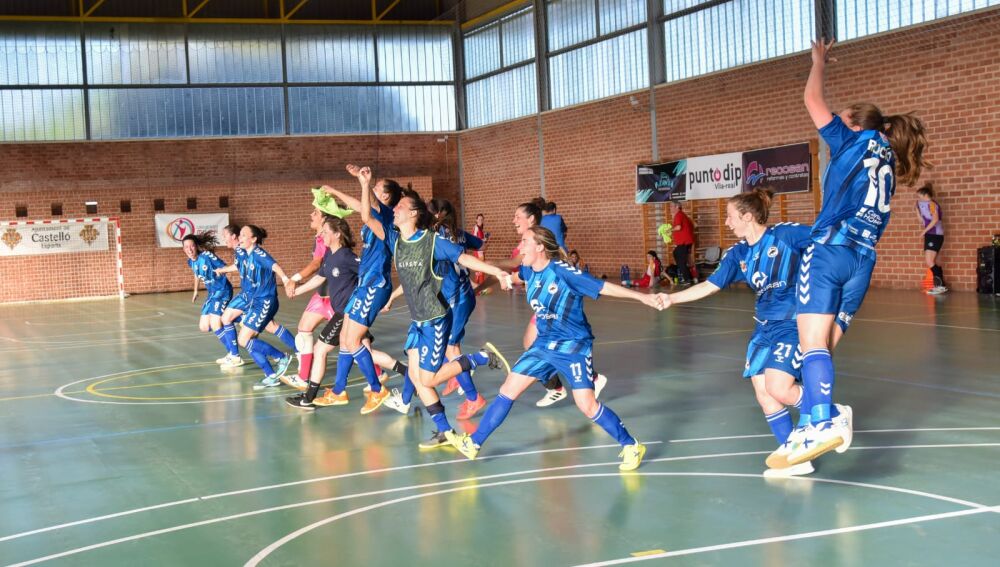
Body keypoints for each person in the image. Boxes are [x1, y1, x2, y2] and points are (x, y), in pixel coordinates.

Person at [779, 38, 929, 468]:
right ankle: (817, 420)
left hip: (831, 250)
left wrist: (818, 62)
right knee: (823, 347)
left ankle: (823, 420)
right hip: (863, 261)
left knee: (811, 344)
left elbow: (811, 99)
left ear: (852, 123)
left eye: (839, 117)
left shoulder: (852, 141)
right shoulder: (888, 163)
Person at [446, 226, 666, 471]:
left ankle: (631, 445)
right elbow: (515, 276)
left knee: (587, 405)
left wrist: (643, 297)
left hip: (573, 345)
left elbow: (602, 287)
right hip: (544, 344)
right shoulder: (529, 270)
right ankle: (473, 443)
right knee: (508, 389)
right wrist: (498, 279)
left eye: (524, 241)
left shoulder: (563, 272)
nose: (520, 247)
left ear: (540, 246)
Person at [666, 189, 846, 477]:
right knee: (764, 394)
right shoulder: (738, 253)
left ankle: (834, 414)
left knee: (779, 388)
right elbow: (710, 286)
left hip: (793, 322)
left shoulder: (785, 236)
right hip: (763, 327)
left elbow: (827, 239)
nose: (727, 223)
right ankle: (796, 457)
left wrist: (833, 285)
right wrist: (670, 298)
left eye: (730, 217)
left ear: (747, 216)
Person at [364, 173, 514, 448]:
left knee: (429, 378)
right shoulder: (396, 240)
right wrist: (364, 185)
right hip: (417, 322)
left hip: (434, 319)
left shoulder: (432, 241)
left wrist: (496, 271)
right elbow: (367, 217)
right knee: (416, 377)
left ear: (414, 214)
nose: (394, 209)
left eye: (400, 206)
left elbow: (464, 257)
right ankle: (445, 431)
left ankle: (481, 357)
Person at [319, 166, 404, 414]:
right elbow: (360, 206)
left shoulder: (386, 216)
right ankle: (338, 391)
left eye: (377, 188)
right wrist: (335, 191)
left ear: (385, 196)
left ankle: (377, 390)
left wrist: (365, 183)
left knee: (354, 340)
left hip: (374, 285)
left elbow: (366, 210)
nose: (372, 188)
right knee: (345, 340)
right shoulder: (374, 214)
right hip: (364, 284)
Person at [281, 194, 354, 389]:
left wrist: (294, 279)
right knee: (303, 330)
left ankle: (378, 374)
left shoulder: (326, 239)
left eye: (315, 212)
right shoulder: (320, 238)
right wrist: (297, 290)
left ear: (324, 218)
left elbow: (316, 264)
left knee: (354, 342)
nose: (311, 215)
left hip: (333, 297)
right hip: (320, 295)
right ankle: (303, 377)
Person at [215, 225, 294, 389]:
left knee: (244, 338)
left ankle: (281, 357)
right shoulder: (246, 254)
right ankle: (271, 375)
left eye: (244, 235)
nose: (240, 238)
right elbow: (239, 266)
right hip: (254, 301)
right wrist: (223, 270)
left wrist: (286, 280)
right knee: (247, 339)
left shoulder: (258, 254)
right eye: (240, 235)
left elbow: (274, 265)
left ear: (253, 239)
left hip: (265, 301)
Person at [182, 231, 240, 367]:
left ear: (196, 246)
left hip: (222, 291)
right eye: (186, 247)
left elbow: (224, 266)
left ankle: (234, 355)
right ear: (183, 249)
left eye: (192, 246)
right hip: (212, 294)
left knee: (215, 324)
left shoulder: (207, 256)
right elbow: (196, 274)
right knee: (204, 326)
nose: (189, 249)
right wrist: (196, 290)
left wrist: (222, 271)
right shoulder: (191, 262)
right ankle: (236, 318)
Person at [915, 183, 947, 294]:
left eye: (919, 196)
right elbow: (921, 221)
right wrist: (917, 210)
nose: (918, 198)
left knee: (929, 261)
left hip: (935, 235)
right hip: (930, 235)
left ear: (925, 195)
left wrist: (924, 231)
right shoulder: (922, 204)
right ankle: (940, 285)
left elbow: (935, 219)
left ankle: (940, 286)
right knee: (929, 261)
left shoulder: (932, 204)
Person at [670, 201, 695, 285]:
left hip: (684, 242)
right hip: (685, 241)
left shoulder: (678, 215)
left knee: (681, 261)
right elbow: (694, 225)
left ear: (677, 207)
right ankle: (691, 277)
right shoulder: (682, 215)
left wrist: (669, 230)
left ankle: (688, 280)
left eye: (672, 206)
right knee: (677, 254)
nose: (670, 208)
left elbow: (678, 227)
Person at [471, 213, 489, 286]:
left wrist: (485, 238)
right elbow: (474, 239)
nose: (480, 220)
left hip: (480, 251)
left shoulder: (480, 228)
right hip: (478, 251)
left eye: (482, 219)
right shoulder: (476, 228)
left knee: (479, 268)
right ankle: (481, 286)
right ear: (476, 220)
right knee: (481, 268)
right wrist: (483, 240)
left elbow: (480, 240)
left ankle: (478, 286)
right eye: (479, 219)